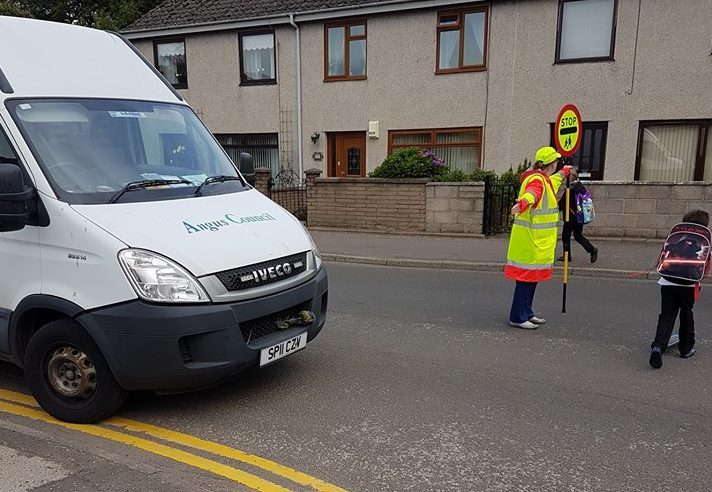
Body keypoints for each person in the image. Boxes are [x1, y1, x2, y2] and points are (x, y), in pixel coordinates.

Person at [505, 147, 572, 330]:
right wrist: (523, 203)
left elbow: (554, 182)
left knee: (531, 279)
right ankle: (517, 317)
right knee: (525, 280)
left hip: (537, 241)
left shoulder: (545, 179)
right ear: (552, 163)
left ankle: (527, 312)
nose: (558, 163)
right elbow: (532, 193)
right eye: (557, 161)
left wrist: (564, 173)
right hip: (530, 241)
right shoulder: (537, 180)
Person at [649, 209, 711, 369]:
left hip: (667, 280)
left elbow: (663, 254)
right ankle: (686, 348)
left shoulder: (678, 234)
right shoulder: (703, 240)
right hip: (688, 283)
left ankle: (658, 346)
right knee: (686, 314)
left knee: (667, 315)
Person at [557, 179, 598, 263]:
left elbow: (561, 205)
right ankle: (591, 249)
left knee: (565, 237)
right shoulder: (580, 189)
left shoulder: (569, 191)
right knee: (578, 236)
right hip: (580, 217)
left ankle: (567, 256)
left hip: (570, 218)